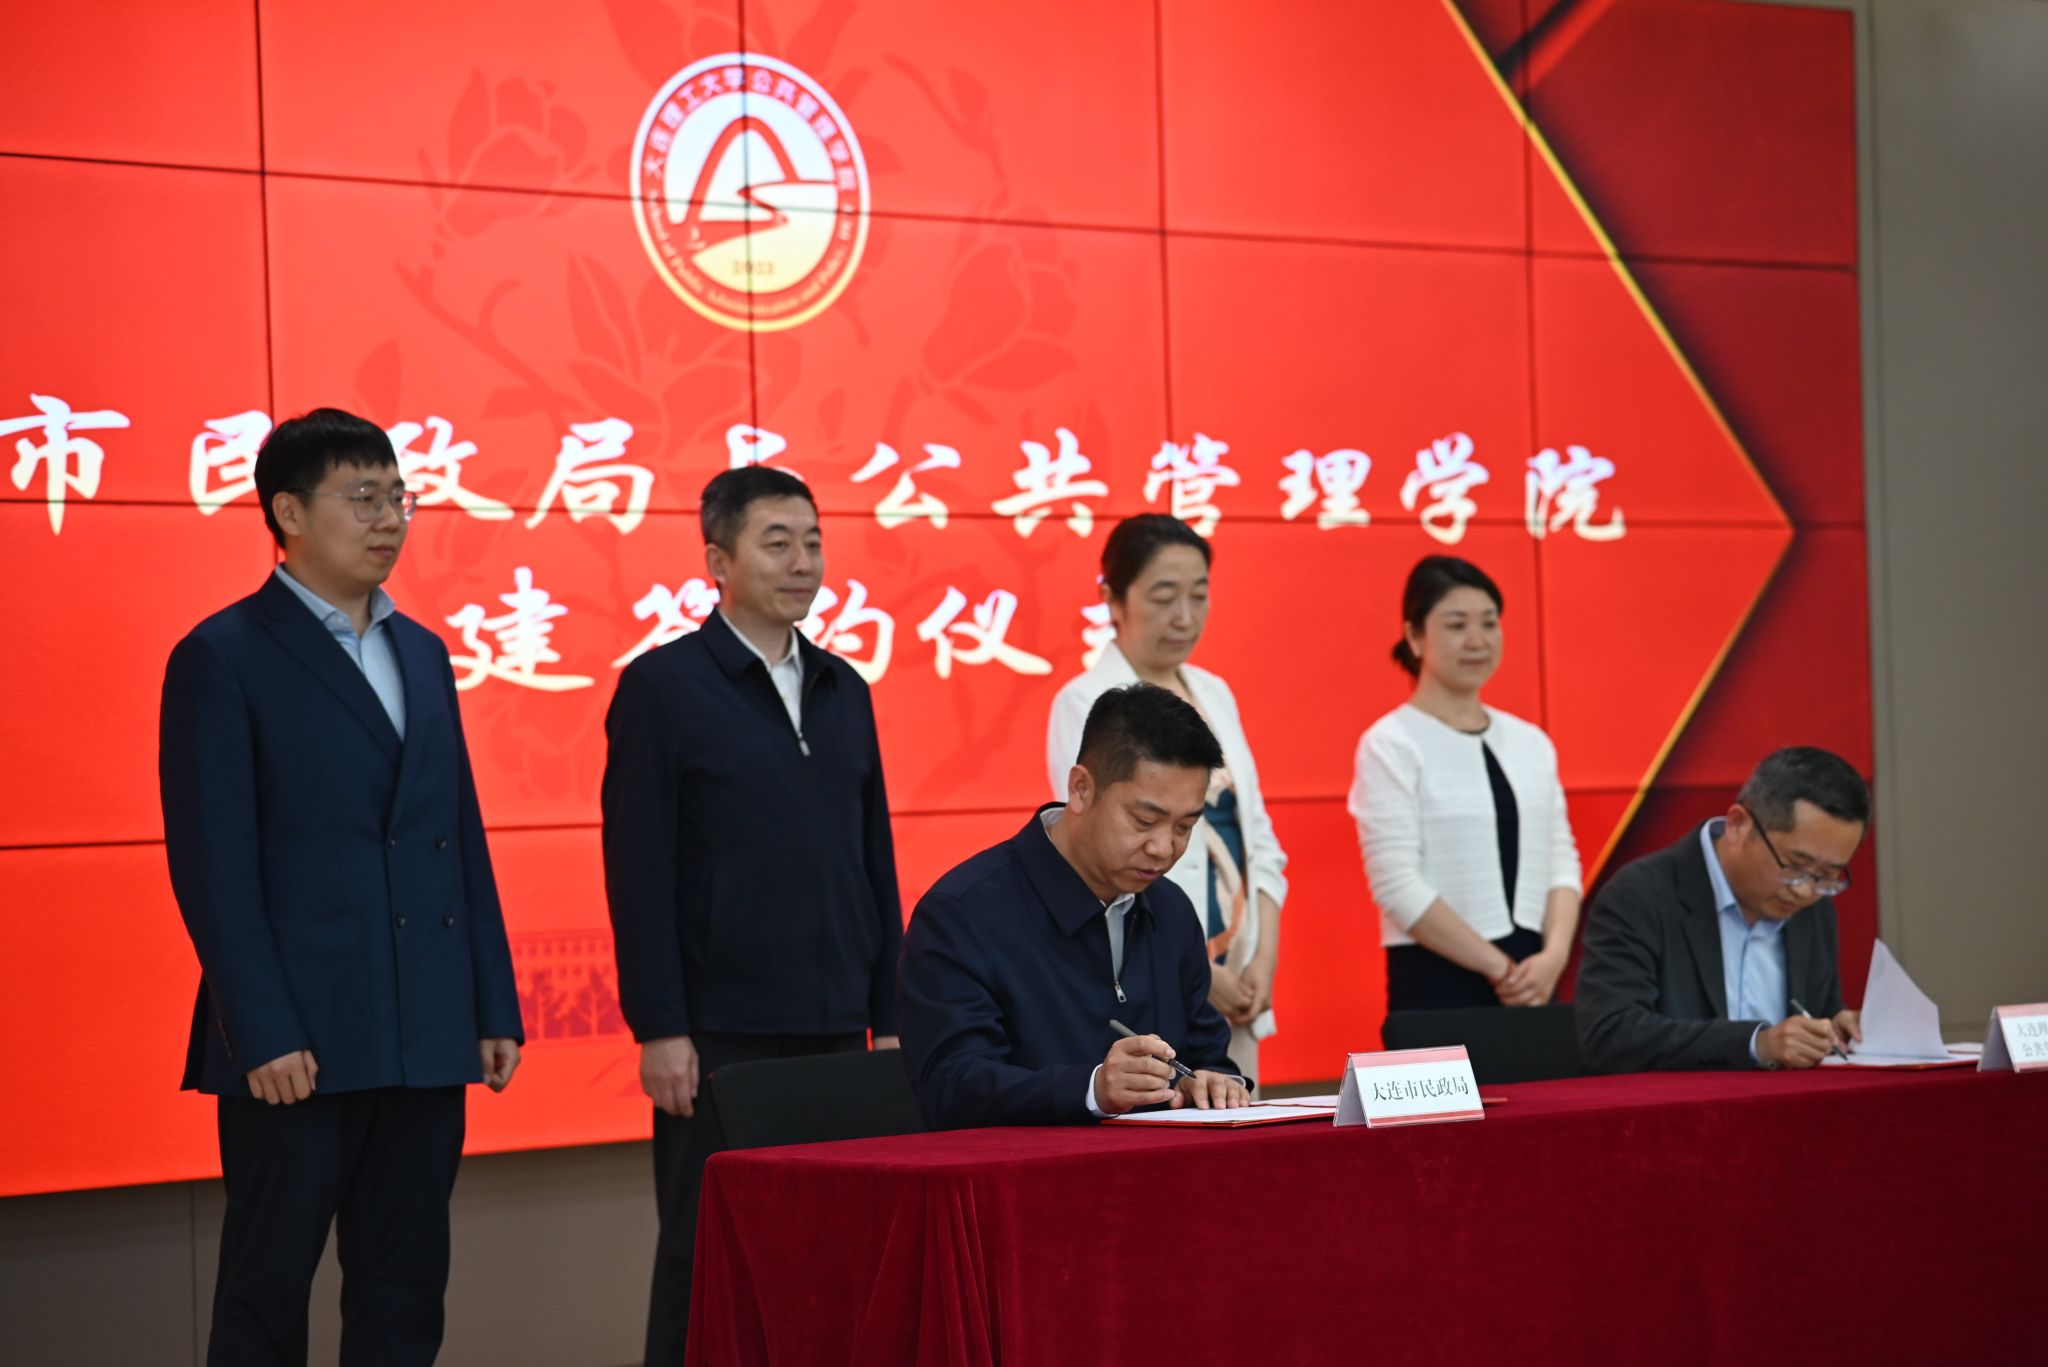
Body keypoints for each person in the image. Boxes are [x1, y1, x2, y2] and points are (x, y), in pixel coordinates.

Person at [159, 407, 523, 1367]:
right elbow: (213, 868)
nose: (389, 518)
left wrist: (490, 1000)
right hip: (299, 1044)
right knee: (266, 1293)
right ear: (287, 512)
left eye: (399, 496)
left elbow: (459, 837)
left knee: (405, 1292)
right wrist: (262, 1029)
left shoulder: (424, 652)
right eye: (362, 497)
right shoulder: (223, 655)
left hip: (424, 1030)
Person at [601, 464, 904, 1364]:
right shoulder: (663, 687)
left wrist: (890, 1013)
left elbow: (874, 861)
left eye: (813, 542)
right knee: (703, 1255)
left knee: (832, 1248)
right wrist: (661, 1027)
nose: (803, 561)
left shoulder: (846, 687)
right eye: (778, 543)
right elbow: (638, 871)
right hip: (717, 1035)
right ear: (717, 561)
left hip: (835, 1027)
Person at [902, 683, 1251, 1130]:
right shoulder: (961, 913)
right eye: (1144, 821)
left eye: (1185, 827)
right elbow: (951, 1086)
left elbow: (1207, 1054)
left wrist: (1215, 1083)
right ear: (1081, 789)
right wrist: (1091, 1090)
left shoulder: (1171, 910)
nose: (1164, 848)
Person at [1045, 514, 1288, 1084]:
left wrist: (1264, 957)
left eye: (1198, 595)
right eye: (1163, 597)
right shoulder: (1085, 701)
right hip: (1153, 961)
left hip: (1241, 971)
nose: (1184, 617)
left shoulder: (1215, 692)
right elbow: (1099, 851)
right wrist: (1200, 968)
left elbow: (1259, 837)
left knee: (1235, 1105)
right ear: (1112, 598)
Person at [1349, 555, 1583, 1016]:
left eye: (1489, 623)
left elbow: (1561, 861)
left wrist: (1555, 957)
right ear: (1414, 636)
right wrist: (1499, 969)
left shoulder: (1530, 741)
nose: (1477, 640)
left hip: (1535, 981)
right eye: (1457, 625)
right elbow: (1396, 884)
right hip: (1437, 982)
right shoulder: (1390, 743)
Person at [1575, 747, 1869, 1073]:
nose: (1804, 890)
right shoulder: (1640, 895)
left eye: (1827, 875)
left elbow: (1817, 1010)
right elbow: (1611, 1036)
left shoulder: (1814, 907)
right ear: (1737, 824)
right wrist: (1756, 1044)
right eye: (1794, 866)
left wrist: (1832, 1029)